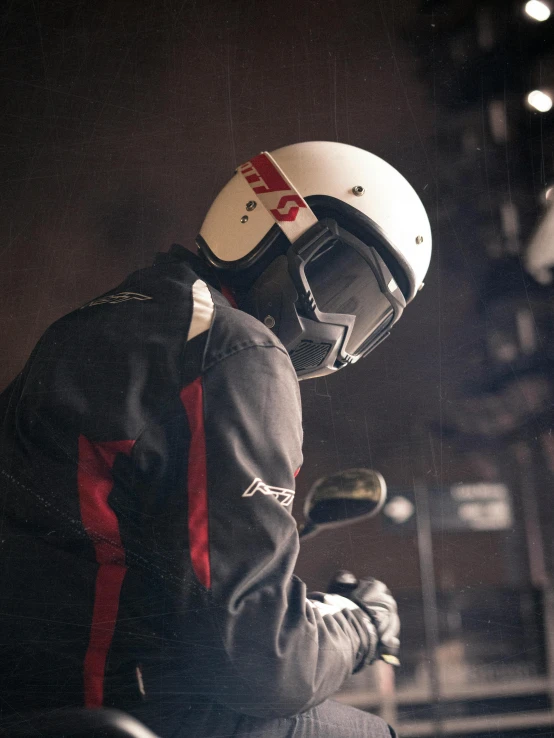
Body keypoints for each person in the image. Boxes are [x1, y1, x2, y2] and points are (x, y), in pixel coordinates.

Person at [0, 141, 432, 737]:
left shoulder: (93, 323)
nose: (337, 328)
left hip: (36, 703)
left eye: (366, 313)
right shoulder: (235, 350)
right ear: (263, 221)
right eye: (338, 281)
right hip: (135, 708)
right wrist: (361, 626)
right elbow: (262, 666)